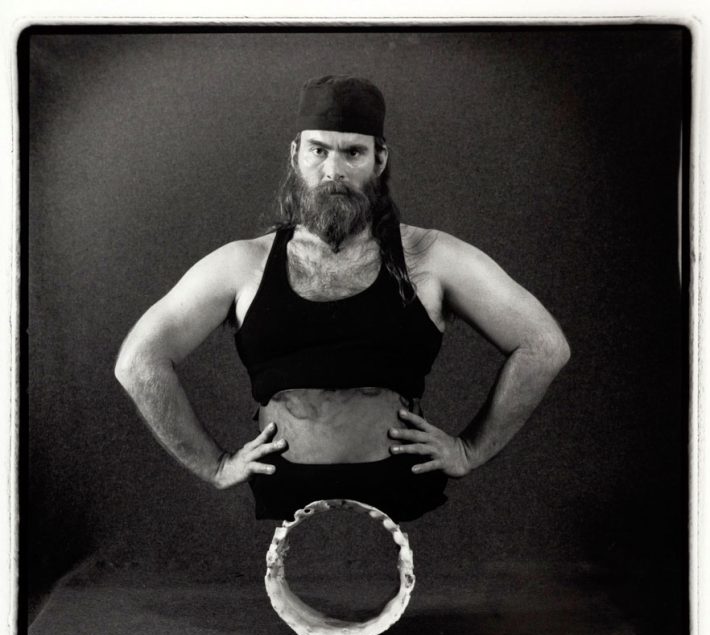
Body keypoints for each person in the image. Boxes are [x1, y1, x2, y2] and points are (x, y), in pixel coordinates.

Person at [114, 75, 570, 523]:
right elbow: (138, 362)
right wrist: (215, 467)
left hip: (408, 500)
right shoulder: (242, 263)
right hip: (281, 505)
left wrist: (468, 451)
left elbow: (543, 346)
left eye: (353, 152)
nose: (334, 170)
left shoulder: (432, 257)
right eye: (319, 151)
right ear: (296, 155)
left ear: (379, 159)